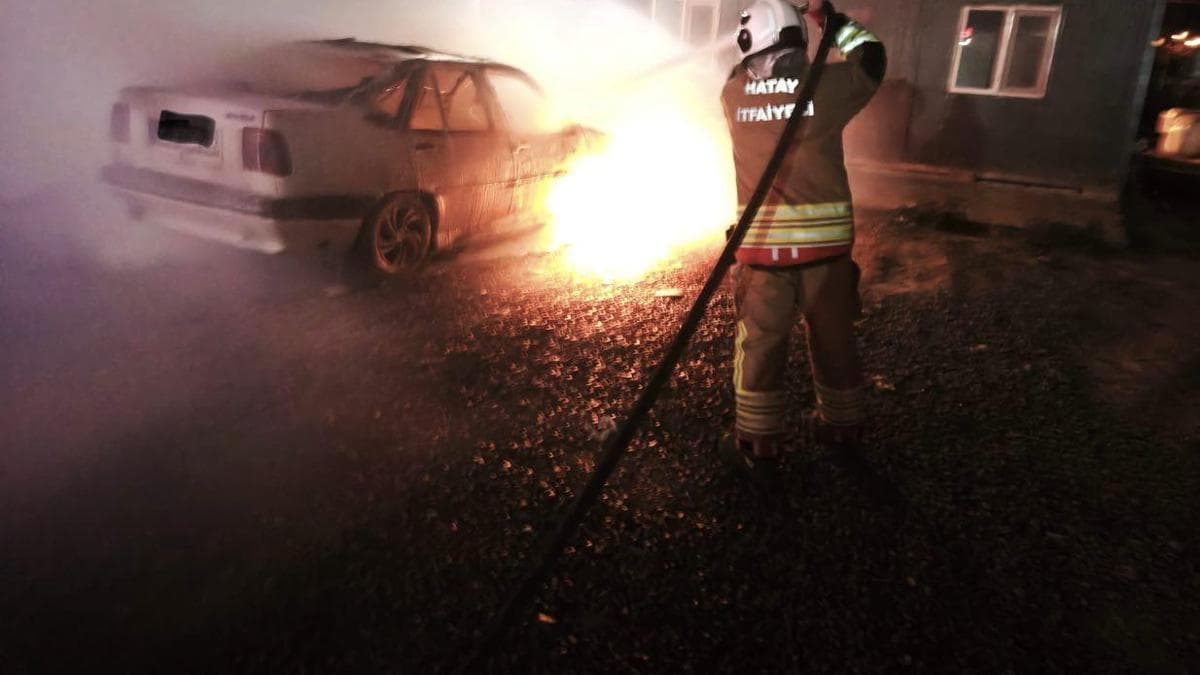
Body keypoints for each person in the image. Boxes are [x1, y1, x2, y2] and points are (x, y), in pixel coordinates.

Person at [718, 0, 886, 484]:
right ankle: (842, 426)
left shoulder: (733, 95)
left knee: (761, 345)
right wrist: (826, 18)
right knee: (833, 337)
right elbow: (872, 58)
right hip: (827, 256)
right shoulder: (829, 88)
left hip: (762, 256)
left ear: (750, 42)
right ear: (798, 42)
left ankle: (758, 442)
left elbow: (741, 65)